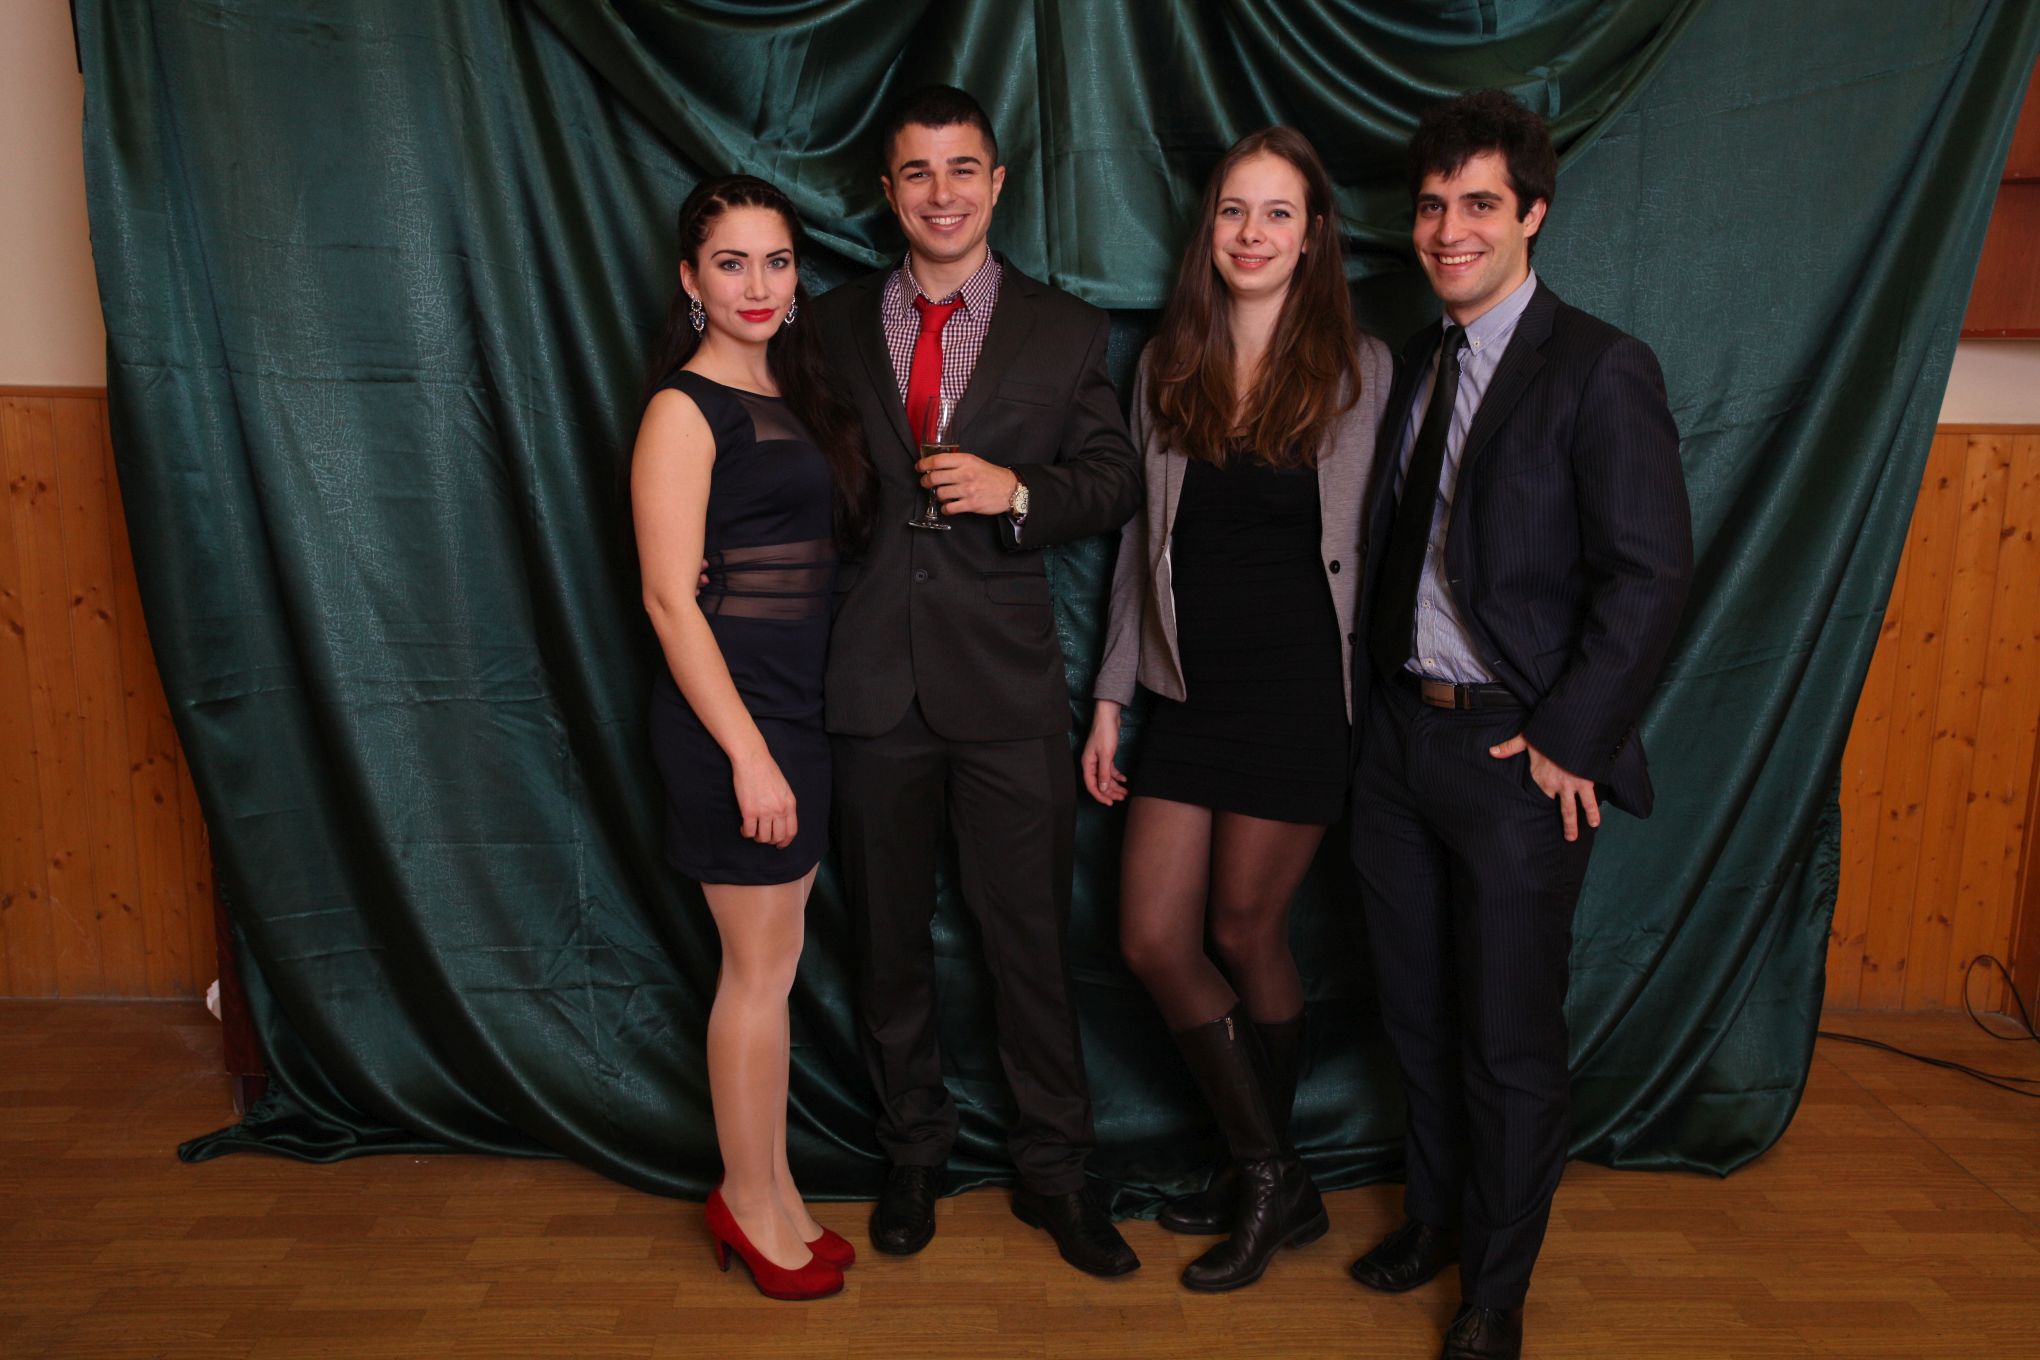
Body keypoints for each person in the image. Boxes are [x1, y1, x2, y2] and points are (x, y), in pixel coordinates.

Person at [1347, 90, 1692, 1360]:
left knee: (1507, 1036)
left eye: (1480, 204)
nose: (1450, 230)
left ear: (1533, 213)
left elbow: (1650, 573)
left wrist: (1569, 738)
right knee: (1415, 1013)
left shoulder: (1599, 366)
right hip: (1399, 739)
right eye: (1433, 206)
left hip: (1515, 755)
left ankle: (1496, 1289)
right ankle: (1435, 1218)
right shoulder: (1409, 360)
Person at [809, 85, 1144, 1277]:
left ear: (997, 185)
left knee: (1029, 946)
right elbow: (792, 469)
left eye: (963, 170)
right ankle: (914, 1154)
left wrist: (1018, 493)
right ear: (888, 191)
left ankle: (1057, 1173)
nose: (941, 193)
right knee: (888, 945)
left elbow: (1114, 479)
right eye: (917, 172)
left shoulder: (1066, 330)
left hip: (1006, 693)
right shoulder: (830, 325)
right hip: (869, 685)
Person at [1082, 127, 1391, 1292]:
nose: (1251, 233)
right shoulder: (1168, 365)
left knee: (1245, 930)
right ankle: (1276, 1171)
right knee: (1151, 937)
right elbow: (1135, 554)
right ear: (1207, 230)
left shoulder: (1361, 369)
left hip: (1300, 700)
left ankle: (1259, 1177)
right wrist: (1111, 697)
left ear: (1313, 236)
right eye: (1232, 210)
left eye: (1277, 213)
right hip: (1187, 698)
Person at [632, 175, 876, 1302]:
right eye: (731, 263)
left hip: (795, 710)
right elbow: (669, 600)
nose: (758, 284)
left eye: (776, 260)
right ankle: (745, 1200)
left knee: (774, 970)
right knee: (756, 974)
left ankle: (774, 1192)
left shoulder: (792, 386)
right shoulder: (683, 409)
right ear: (691, 279)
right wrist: (749, 754)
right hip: (734, 721)